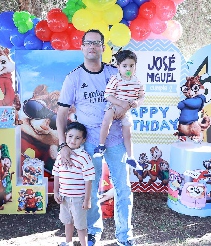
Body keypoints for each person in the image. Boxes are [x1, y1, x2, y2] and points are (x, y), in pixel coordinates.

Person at [56, 29, 137, 246]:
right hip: (88, 144)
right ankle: (93, 230)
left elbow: (134, 94)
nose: (92, 46)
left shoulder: (114, 72)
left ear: (103, 47)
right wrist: (63, 144)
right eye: (88, 43)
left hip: (117, 140)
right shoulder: (73, 78)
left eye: (97, 43)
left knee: (123, 188)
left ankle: (124, 236)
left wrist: (126, 106)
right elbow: (61, 114)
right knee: (89, 189)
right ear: (82, 47)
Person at [92, 50, 144, 170]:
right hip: (114, 106)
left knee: (128, 134)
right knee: (106, 122)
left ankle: (130, 158)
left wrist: (136, 103)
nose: (128, 69)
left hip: (127, 110)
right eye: (124, 66)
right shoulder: (115, 79)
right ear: (118, 66)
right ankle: (101, 145)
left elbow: (141, 96)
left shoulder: (137, 82)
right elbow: (108, 95)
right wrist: (120, 103)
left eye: (131, 65)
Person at [52, 122, 95, 246]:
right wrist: (56, 191)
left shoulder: (84, 157)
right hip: (64, 196)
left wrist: (87, 200)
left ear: (83, 140)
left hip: (78, 198)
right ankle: (68, 242)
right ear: (65, 135)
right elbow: (56, 173)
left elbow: (89, 179)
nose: (73, 140)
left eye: (77, 138)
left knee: (81, 226)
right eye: (70, 136)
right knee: (67, 221)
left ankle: (84, 244)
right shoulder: (61, 154)